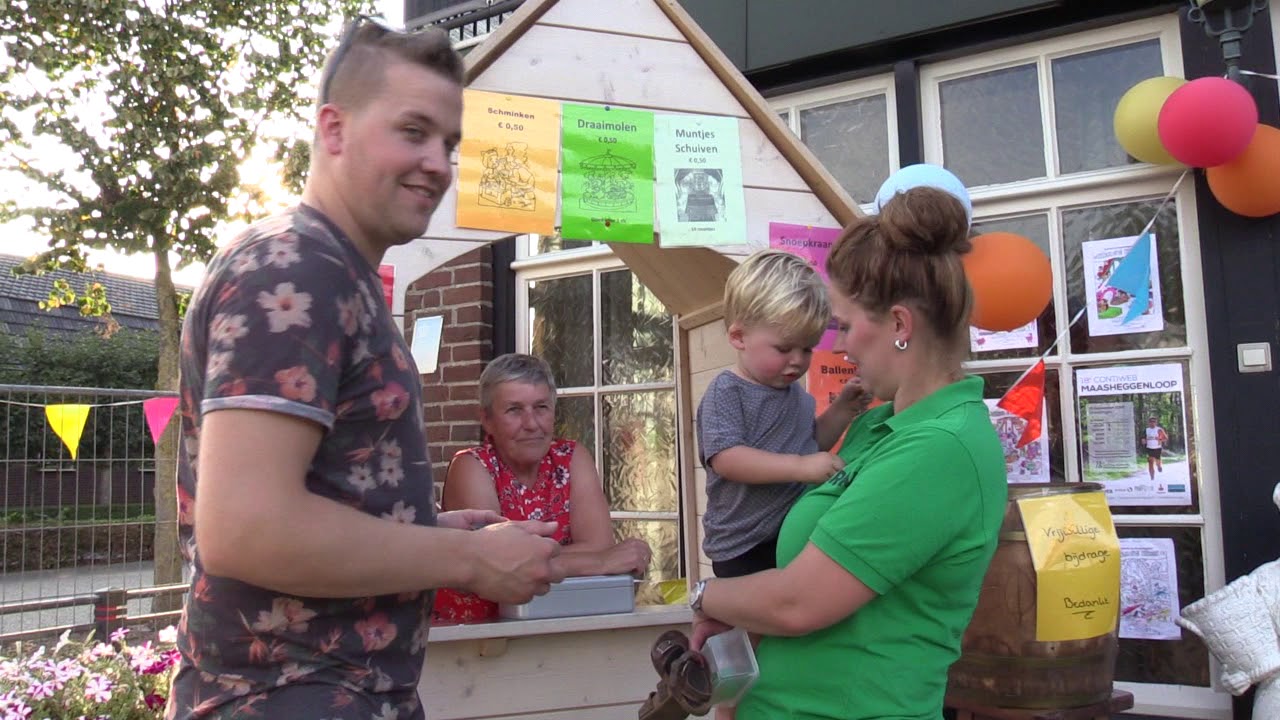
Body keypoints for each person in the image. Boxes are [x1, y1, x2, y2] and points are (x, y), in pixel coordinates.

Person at [167, 19, 566, 720]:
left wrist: (425, 526)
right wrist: (468, 563)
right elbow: (244, 528)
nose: (440, 164)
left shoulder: (339, 276)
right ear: (333, 130)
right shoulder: (295, 271)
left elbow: (307, 498)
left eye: (449, 143)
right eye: (413, 132)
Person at [687, 187, 1008, 720]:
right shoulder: (881, 426)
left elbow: (796, 602)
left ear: (900, 326)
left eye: (844, 324)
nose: (838, 347)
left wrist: (704, 595)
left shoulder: (939, 449)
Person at [696, 249, 868, 719]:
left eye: (807, 349)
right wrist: (800, 467)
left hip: (787, 533)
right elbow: (728, 459)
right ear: (738, 336)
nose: (797, 361)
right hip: (745, 540)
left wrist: (845, 410)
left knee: (782, 643)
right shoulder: (727, 393)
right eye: (784, 348)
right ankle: (725, 712)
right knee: (744, 654)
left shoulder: (793, 392)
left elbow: (813, 441)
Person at [432, 353, 652, 624]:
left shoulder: (571, 457)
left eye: (541, 408)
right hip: (475, 637)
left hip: (551, 624)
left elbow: (600, 544)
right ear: (487, 420)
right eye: (514, 410)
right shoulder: (471, 466)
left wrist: (585, 556)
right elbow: (497, 564)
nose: (532, 424)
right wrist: (598, 563)